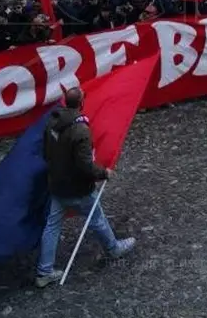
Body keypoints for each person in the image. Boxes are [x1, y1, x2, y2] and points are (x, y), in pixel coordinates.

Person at [35, 86, 135, 287]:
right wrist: (103, 173)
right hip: (77, 188)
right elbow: (84, 165)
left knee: (52, 227)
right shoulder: (80, 130)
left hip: (57, 185)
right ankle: (113, 248)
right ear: (81, 103)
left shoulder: (52, 122)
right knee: (97, 218)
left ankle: (44, 270)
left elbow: (46, 153)